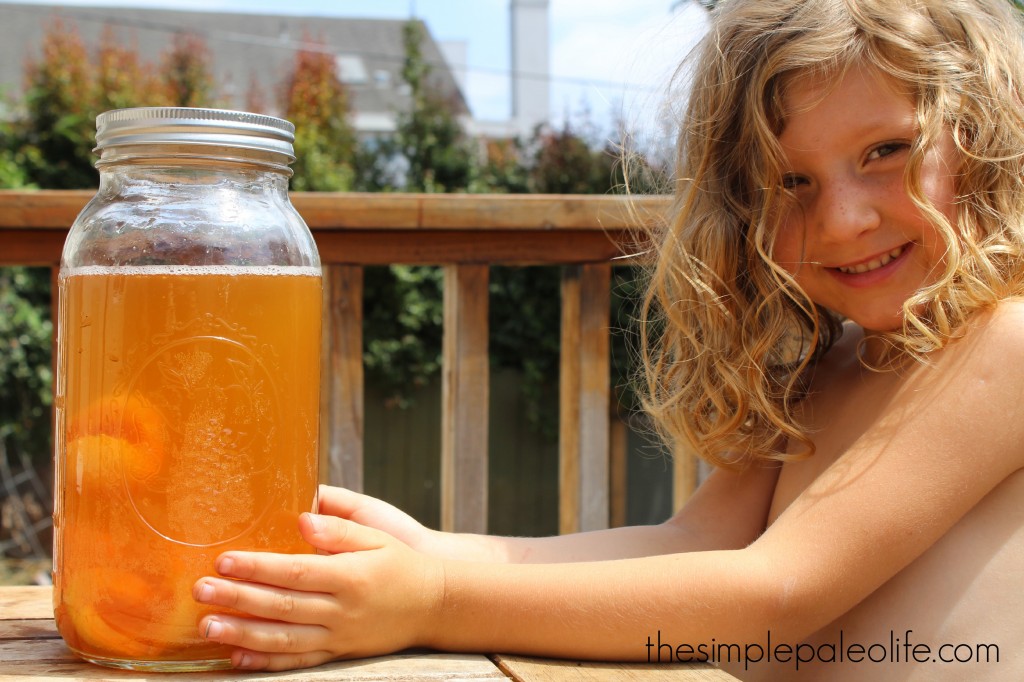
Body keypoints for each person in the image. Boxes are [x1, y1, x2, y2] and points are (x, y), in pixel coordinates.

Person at [191, 0, 1024, 678]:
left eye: (888, 150)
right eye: (788, 181)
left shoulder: (1008, 343)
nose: (840, 219)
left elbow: (777, 591)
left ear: (984, 138)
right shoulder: (823, 367)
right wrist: (437, 551)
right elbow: (689, 545)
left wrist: (436, 598)